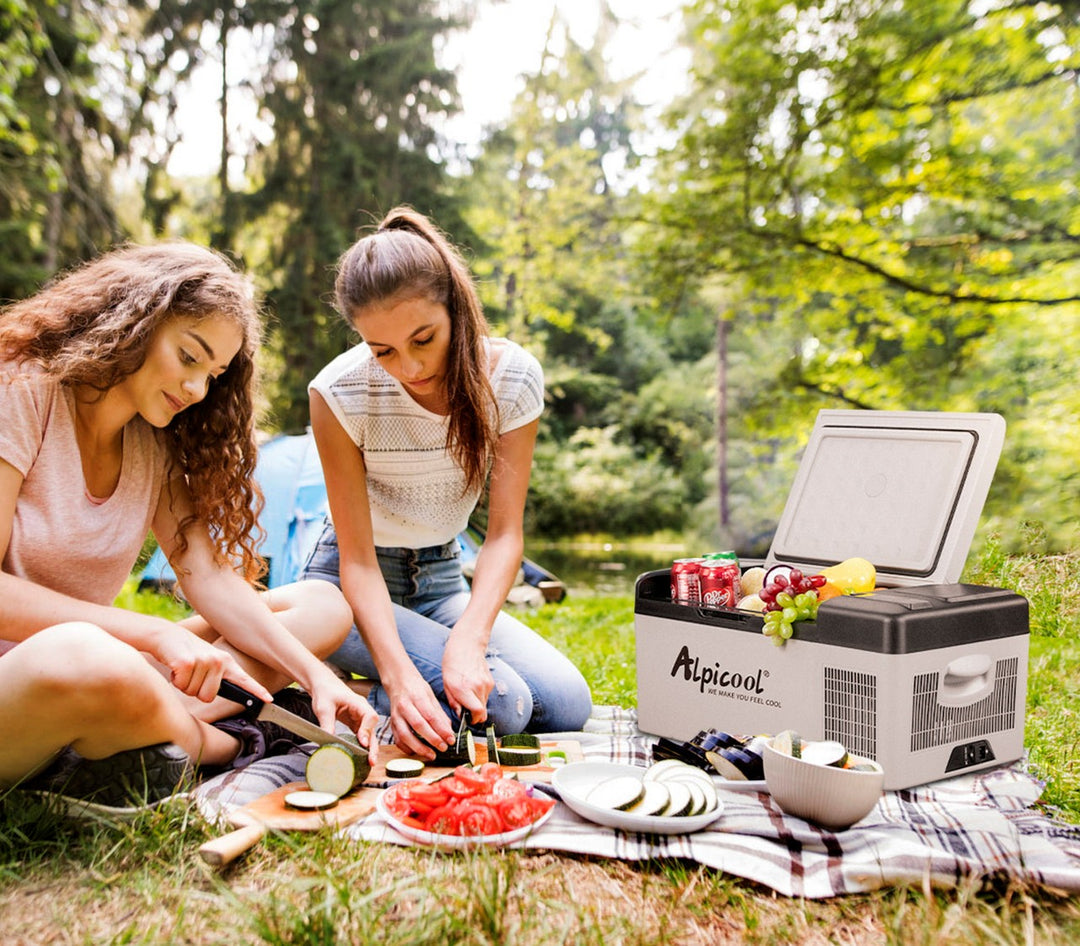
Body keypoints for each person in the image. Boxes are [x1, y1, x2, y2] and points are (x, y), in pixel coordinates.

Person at [0, 243, 379, 809]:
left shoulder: (151, 437)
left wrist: (315, 676)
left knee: (324, 607)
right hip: (37, 678)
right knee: (87, 654)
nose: (198, 389)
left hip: (111, 668)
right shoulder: (24, 390)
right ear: (133, 322)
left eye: (214, 373)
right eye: (189, 356)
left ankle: (138, 741)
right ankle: (217, 745)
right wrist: (155, 635)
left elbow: (207, 575)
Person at [300, 206, 592, 759]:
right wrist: (403, 672)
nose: (408, 366)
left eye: (423, 339)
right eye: (381, 350)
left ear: (454, 308)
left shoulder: (512, 378)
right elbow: (356, 563)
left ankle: (372, 684)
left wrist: (470, 639)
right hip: (350, 589)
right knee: (507, 707)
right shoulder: (337, 392)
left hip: (441, 579)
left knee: (567, 703)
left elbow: (504, 536)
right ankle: (378, 679)